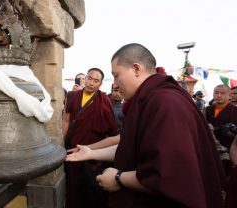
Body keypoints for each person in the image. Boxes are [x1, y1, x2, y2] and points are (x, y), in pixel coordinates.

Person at [66, 43, 226, 208]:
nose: (115, 84)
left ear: (136, 69)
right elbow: (132, 147)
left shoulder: (165, 102)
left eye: (116, 75)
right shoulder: (148, 99)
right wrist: (91, 152)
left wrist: (118, 177)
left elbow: (170, 175)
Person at [62, 68, 118, 208]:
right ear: (85, 78)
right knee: (73, 186)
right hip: (73, 148)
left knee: (89, 187)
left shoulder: (104, 100)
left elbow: (111, 130)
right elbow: (66, 120)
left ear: (100, 84)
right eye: (89, 78)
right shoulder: (72, 95)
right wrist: (61, 143)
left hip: (93, 152)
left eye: (96, 80)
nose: (91, 83)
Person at [205, 85, 237, 150]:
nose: (219, 95)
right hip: (211, 147)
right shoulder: (207, 110)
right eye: (216, 93)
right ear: (213, 95)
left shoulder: (235, 110)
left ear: (229, 96)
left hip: (230, 148)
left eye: (223, 93)